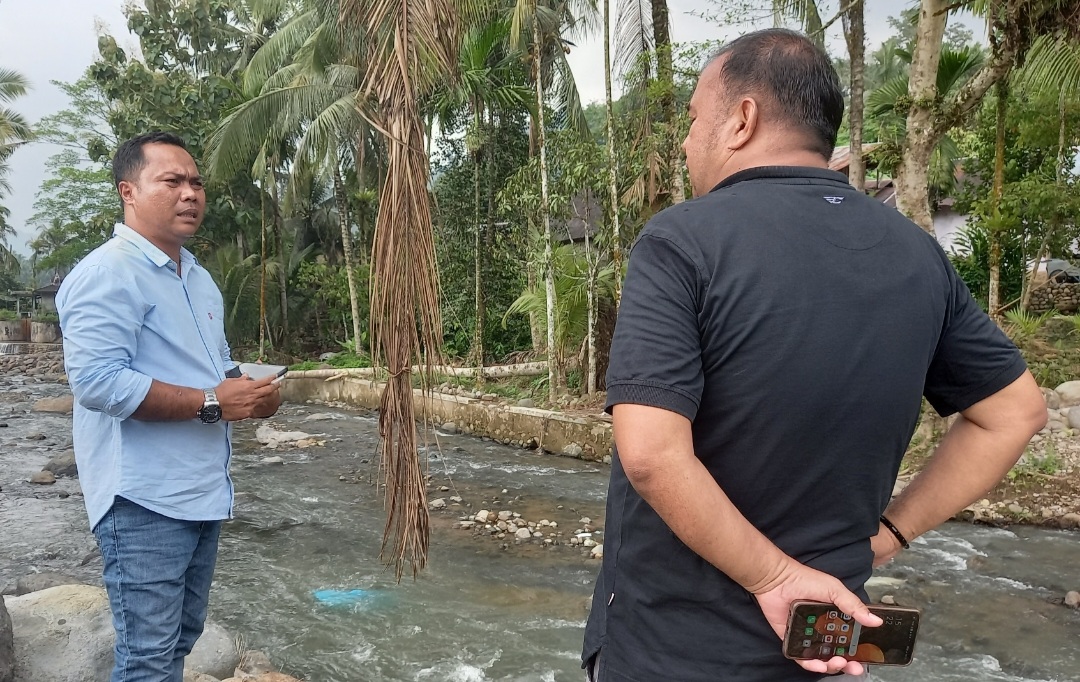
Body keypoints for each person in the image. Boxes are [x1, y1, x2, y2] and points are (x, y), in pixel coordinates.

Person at [582, 29, 1047, 681]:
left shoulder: (682, 242)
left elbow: (653, 455)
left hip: (670, 652)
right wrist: (890, 536)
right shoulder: (917, 254)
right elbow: (1015, 412)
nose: (686, 142)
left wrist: (773, 576)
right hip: (823, 652)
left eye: (692, 120)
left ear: (742, 119)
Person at [57, 131, 282, 682]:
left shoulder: (198, 278)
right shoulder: (107, 274)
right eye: (172, 181)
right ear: (128, 191)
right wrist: (212, 402)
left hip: (200, 491)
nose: (190, 194)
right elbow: (98, 382)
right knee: (148, 657)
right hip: (142, 497)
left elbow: (216, 368)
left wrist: (251, 392)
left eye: (196, 182)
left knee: (178, 642)